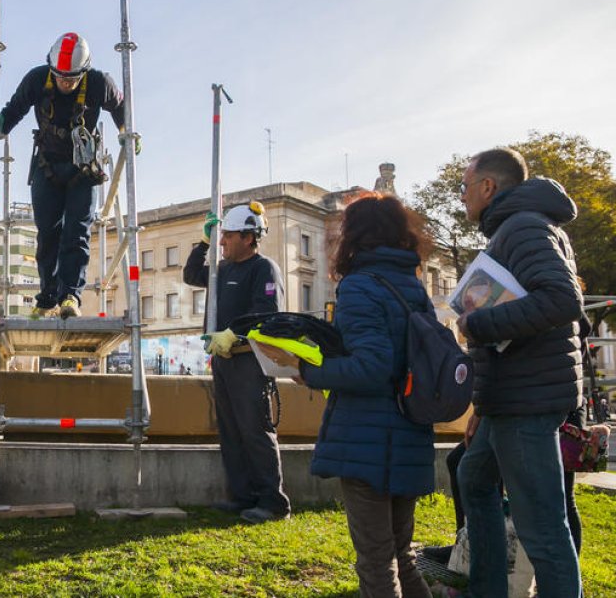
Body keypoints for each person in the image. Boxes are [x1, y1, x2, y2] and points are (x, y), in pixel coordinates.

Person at [263, 193, 435, 597]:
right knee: (401, 554)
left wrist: (307, 370)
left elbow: (372, 366)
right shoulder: (412, 284)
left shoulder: (360, 286)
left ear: (354, 235)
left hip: (368, 440)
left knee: (376, 563)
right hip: (409, 430)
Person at [455, 148, 584, 597]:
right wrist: (482, 404)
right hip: (510, 397)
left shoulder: (524, 227)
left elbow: (563, 300)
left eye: (465, 187)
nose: (463, 198)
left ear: (488, 187)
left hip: (526, 401)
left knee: (543, 527)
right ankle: (487, 589)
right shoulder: (517, 227)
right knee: (473, 478)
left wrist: (477, 322)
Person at [0, 32, 128, 319]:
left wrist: (126, 132)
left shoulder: (99, 83)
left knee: (76, 233)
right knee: (47, 234)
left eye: (71, 78)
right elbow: (14, 111)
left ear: (83, 72)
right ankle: (47, 296)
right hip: (47, 166)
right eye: (60, 77)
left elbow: (121, 108)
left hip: (84, 170)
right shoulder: (37, 80)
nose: (65, 82)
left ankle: (70, 295)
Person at [184, 201, 290, 523]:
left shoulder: (263, 269)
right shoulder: (222, 269)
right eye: (221, 236)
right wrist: (202, 242)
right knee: (230, 430)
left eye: (227, 235)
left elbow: (266, 313)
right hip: (223, 360)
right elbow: (190, 275)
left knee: (255, 430)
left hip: (248, 361)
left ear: (248, 237)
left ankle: (273, 502)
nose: (223, 241)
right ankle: (242, 496)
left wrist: (233, 335)